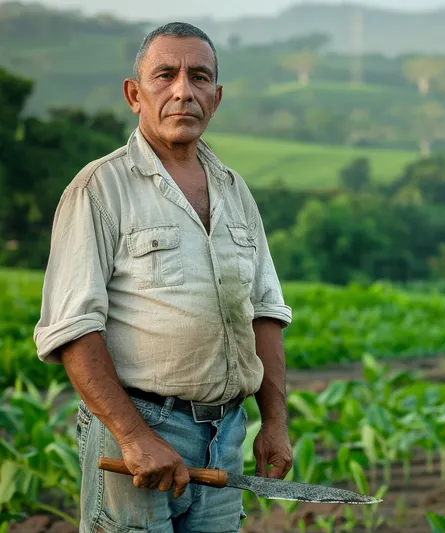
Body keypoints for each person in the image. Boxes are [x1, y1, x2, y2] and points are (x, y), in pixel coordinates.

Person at [33, 22, 293, 533]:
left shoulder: (235, 190)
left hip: (225, 436)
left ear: (215, 98)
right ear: (135, 94)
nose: (183, 90)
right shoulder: (99, 188)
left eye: (199, 77)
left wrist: (275, 425)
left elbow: (265, 312)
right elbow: (73, 329)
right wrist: (133, 437)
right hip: (140, 429)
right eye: (165, 75)